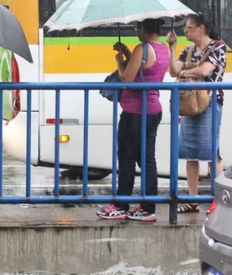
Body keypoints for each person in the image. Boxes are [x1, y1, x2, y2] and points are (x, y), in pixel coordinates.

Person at [97, 18, 169, 222]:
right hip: (153, 110)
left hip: (134, 111)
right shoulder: (163, 48)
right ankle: (148, 208)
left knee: (127, 159)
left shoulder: (142, 48)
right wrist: (129, 54)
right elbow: (146, 70)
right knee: (147, 159)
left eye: (138, 27)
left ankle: (120, 205)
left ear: (144, 28)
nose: (137, 31)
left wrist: (120, 62)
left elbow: (127, 78)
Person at [166, 13, 226, 214]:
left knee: (211, 152)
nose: (186, 31)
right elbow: (173, 70)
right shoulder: (187, 50)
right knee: (189, 152)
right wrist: (172, 48)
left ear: (201, 28)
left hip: (210, 103)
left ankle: (217, 201)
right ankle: (192, 200)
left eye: (189, 27)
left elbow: (204, 71)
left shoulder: (218, 47)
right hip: (190, 103)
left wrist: (183, 73)